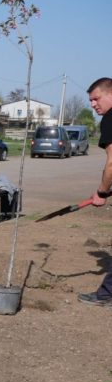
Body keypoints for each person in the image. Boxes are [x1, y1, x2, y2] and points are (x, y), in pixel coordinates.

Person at [78, 77, 112, 306]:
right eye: (90, 100)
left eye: (96, 99)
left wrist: (101, 192)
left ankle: (106, 295)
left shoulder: (110, 119)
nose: (93, 105)